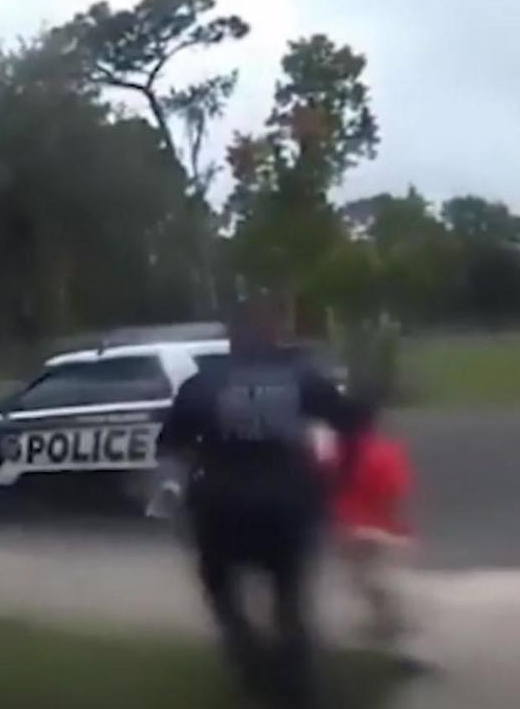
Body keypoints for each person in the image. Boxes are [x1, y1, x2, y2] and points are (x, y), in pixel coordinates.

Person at [157, 297, 356, 708]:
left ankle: (249, 661)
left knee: (221, 589)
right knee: (290, 599)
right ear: (277, 337)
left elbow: (171, 447)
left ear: (231, 339)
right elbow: (350, 425)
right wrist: (333, 480)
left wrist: (175, 495)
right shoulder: (303, 376)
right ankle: (295, 688)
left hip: (220, 506)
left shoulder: (203, 382)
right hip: (287, 503)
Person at [317, 401, 417, 656]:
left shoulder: (334, 452)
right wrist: (401, 528)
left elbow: (323, 490)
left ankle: (388, 624)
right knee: (378, 580)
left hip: (348, 528)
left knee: (363, 580)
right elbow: (395, 495)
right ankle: (392, 626)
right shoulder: (384, 451)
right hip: (380, 530)